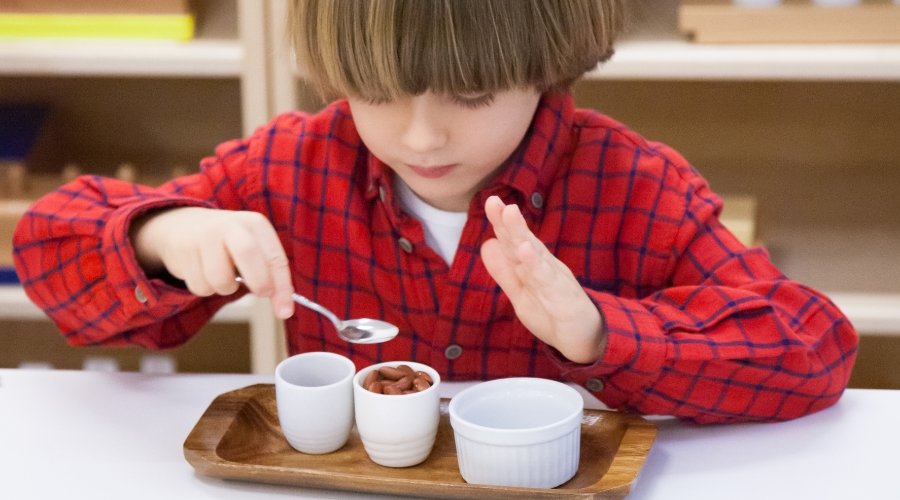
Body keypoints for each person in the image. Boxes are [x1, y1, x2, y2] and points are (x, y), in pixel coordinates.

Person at [13, 0, 857, 424]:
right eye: (377, 93)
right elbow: (47, 248)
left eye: (472, 92)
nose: (419, 134)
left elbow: (811, 349)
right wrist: (168, 236)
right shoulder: (293, 166)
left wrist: (599, 332)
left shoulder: (632, 185)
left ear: (549, 62)